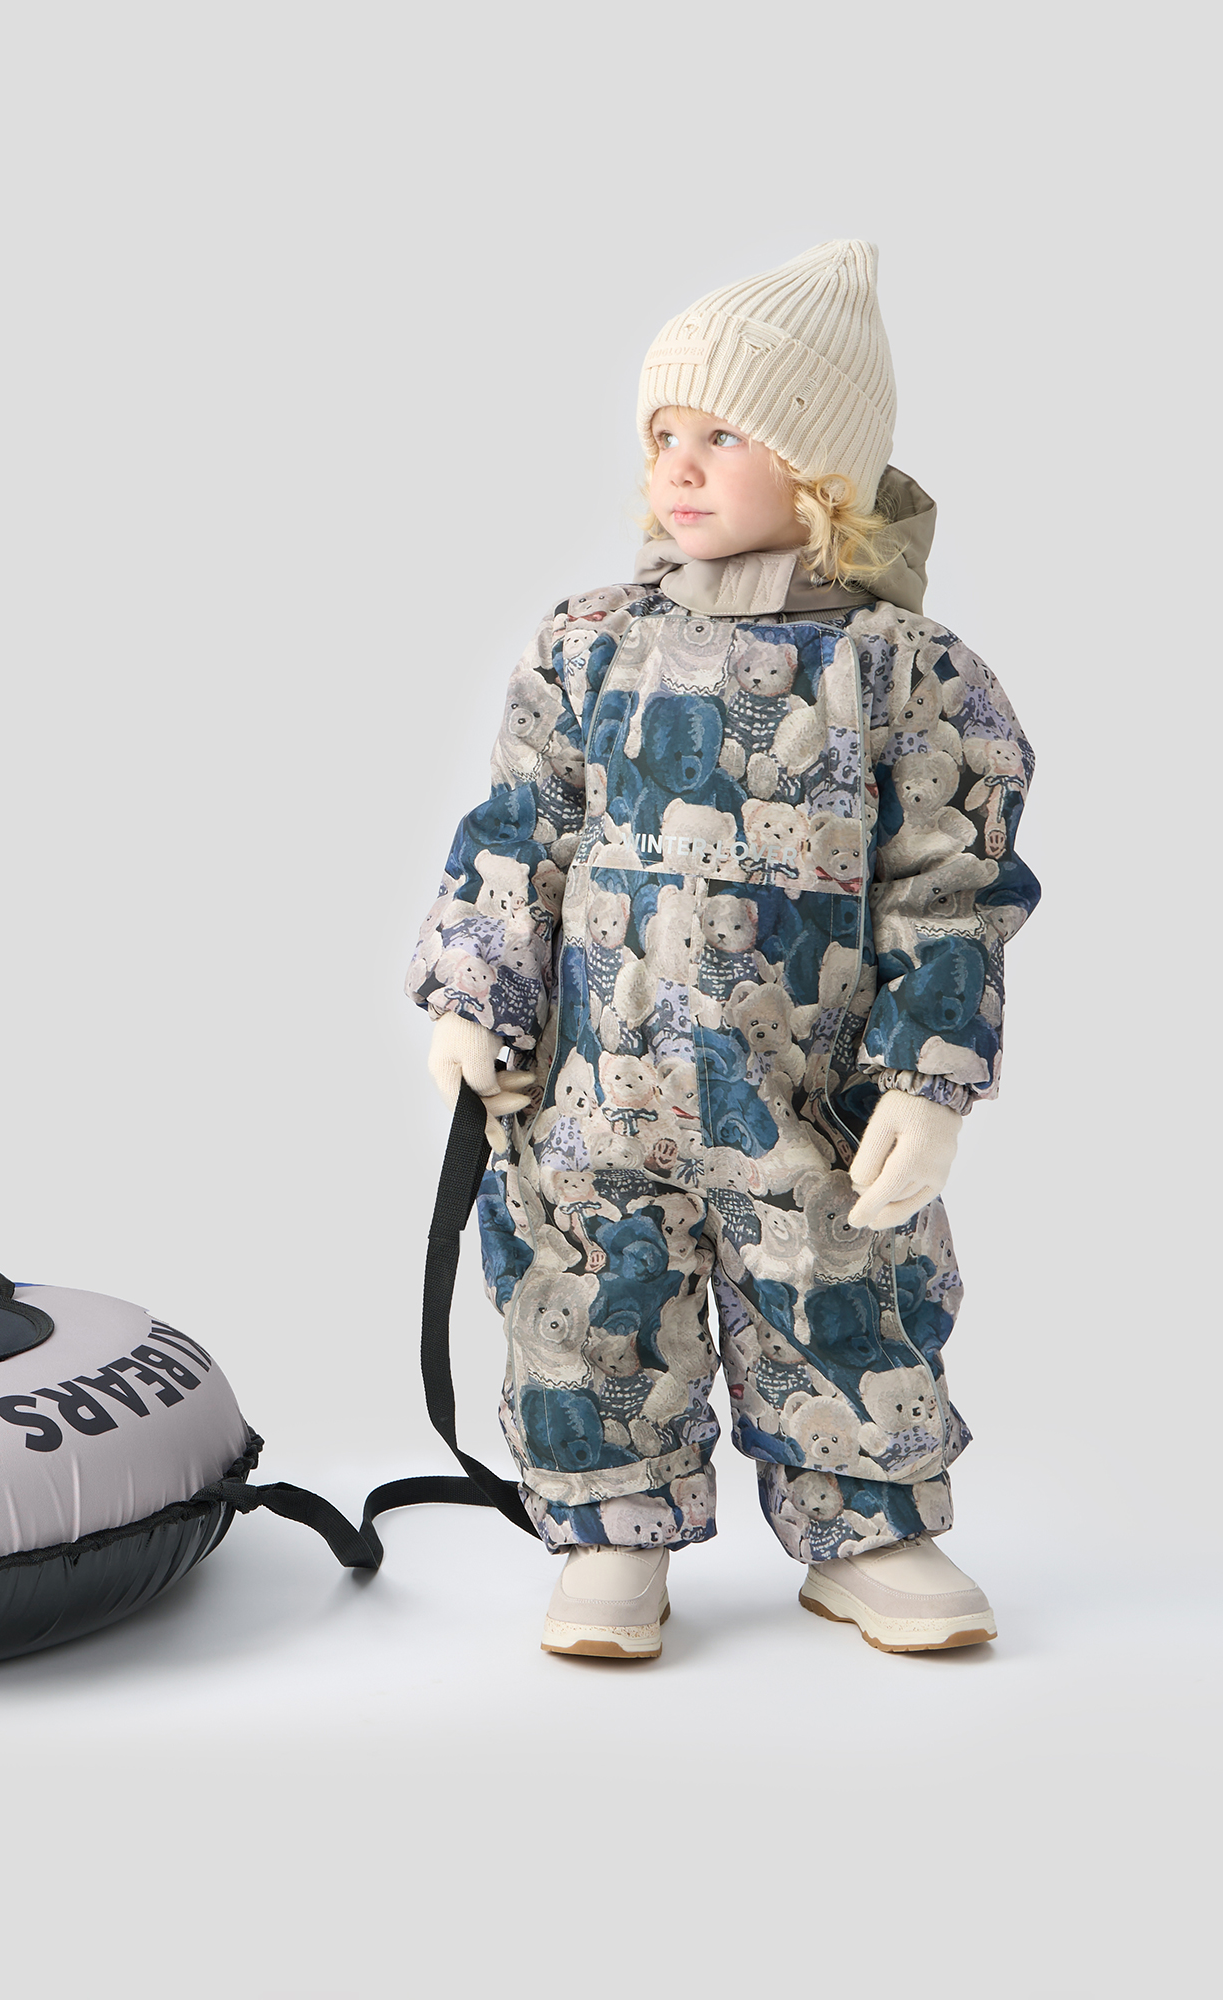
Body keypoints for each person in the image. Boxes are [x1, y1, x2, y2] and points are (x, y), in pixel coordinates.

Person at [406, 241, 1038, 1659]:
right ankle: (610, 1535)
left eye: (724, 436)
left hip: (808, 1095)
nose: (678, 467)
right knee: (588, 1297)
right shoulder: (589, 645)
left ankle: (868, 1530)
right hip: (595, 1092)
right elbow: (520, 827)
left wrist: (929, 1081)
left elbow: (952, 887)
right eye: (662, 437)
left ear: (823, 475)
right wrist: (473, 996)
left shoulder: (907, 672)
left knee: (845, 1287)